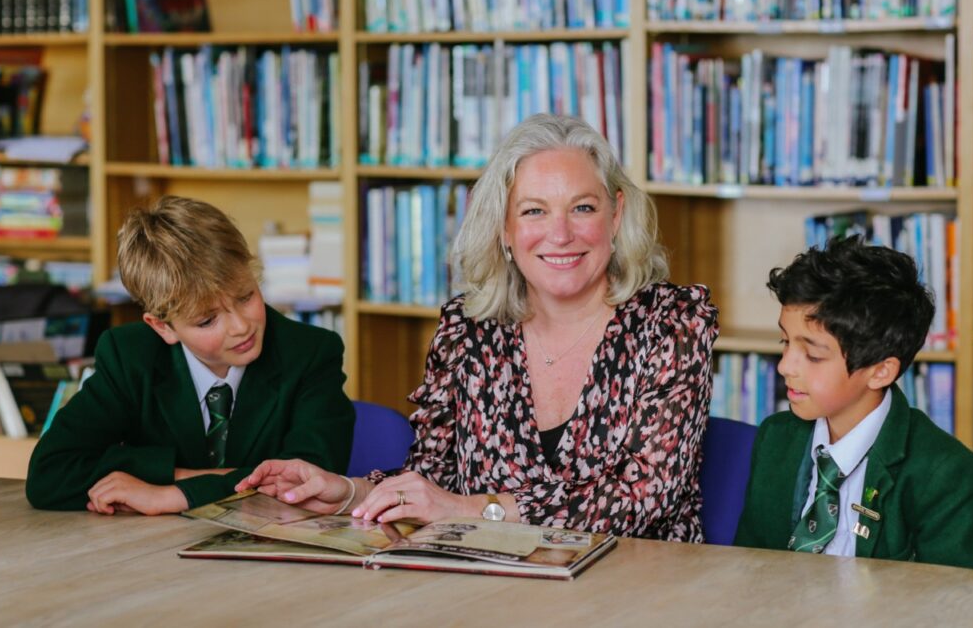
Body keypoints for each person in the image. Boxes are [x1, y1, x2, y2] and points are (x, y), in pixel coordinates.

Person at [237, 113, 719, 541]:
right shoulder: (467, 332)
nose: (561, 233)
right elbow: (432, 480)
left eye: (583, 207)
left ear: (615, 215)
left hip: (639, 592)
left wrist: (473, 510)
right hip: (490, 591)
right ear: (505, 229)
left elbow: (644, 496)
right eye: (534, 210)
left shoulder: (672, 324)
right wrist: (347, 492)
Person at [25, 196, 355, 515]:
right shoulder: (130, 357)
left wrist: (172, 494)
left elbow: (308, 484)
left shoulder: (310, 353)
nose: (241, 327)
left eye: (245, 296)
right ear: (163, 327)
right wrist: (188, 475)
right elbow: (49, 474)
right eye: (207, 320)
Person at [733, 236, 973, 571]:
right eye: (785, 342)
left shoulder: (944, 473)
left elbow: (960, 607)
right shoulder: (776, 439)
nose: (785, 366)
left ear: (880, 372)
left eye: (813, 355)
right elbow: (746, 569)